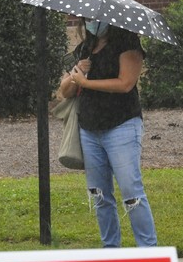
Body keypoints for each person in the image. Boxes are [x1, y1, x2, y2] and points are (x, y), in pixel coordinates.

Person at [57, 18, 157, 248]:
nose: (92, 22)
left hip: (121, 125)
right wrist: (76, 75)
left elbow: (125, 83)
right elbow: (65, 90)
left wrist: (88, 82)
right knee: (99, 194)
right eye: (88, 18)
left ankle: (149, 253)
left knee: (132, 193)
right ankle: (111, 252)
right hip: (90, 128)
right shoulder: (85, 47)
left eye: (97, 19)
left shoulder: (127, 42)